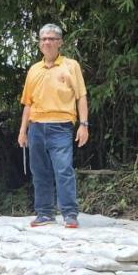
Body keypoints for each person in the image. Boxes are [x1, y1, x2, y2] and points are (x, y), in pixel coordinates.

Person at [17, 24, 90, 229]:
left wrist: (83, 125)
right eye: (43, 39)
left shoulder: (71, 66)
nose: (47, 42)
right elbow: (28, 103)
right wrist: (23, 131)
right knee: (39, 171)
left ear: (60, 43)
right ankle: (45, 213)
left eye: (51, 39)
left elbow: (81, 96)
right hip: (36, 127)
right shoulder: (34, 70)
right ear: (39, 44)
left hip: (61, 126)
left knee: (63, 169)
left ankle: (69, 214)